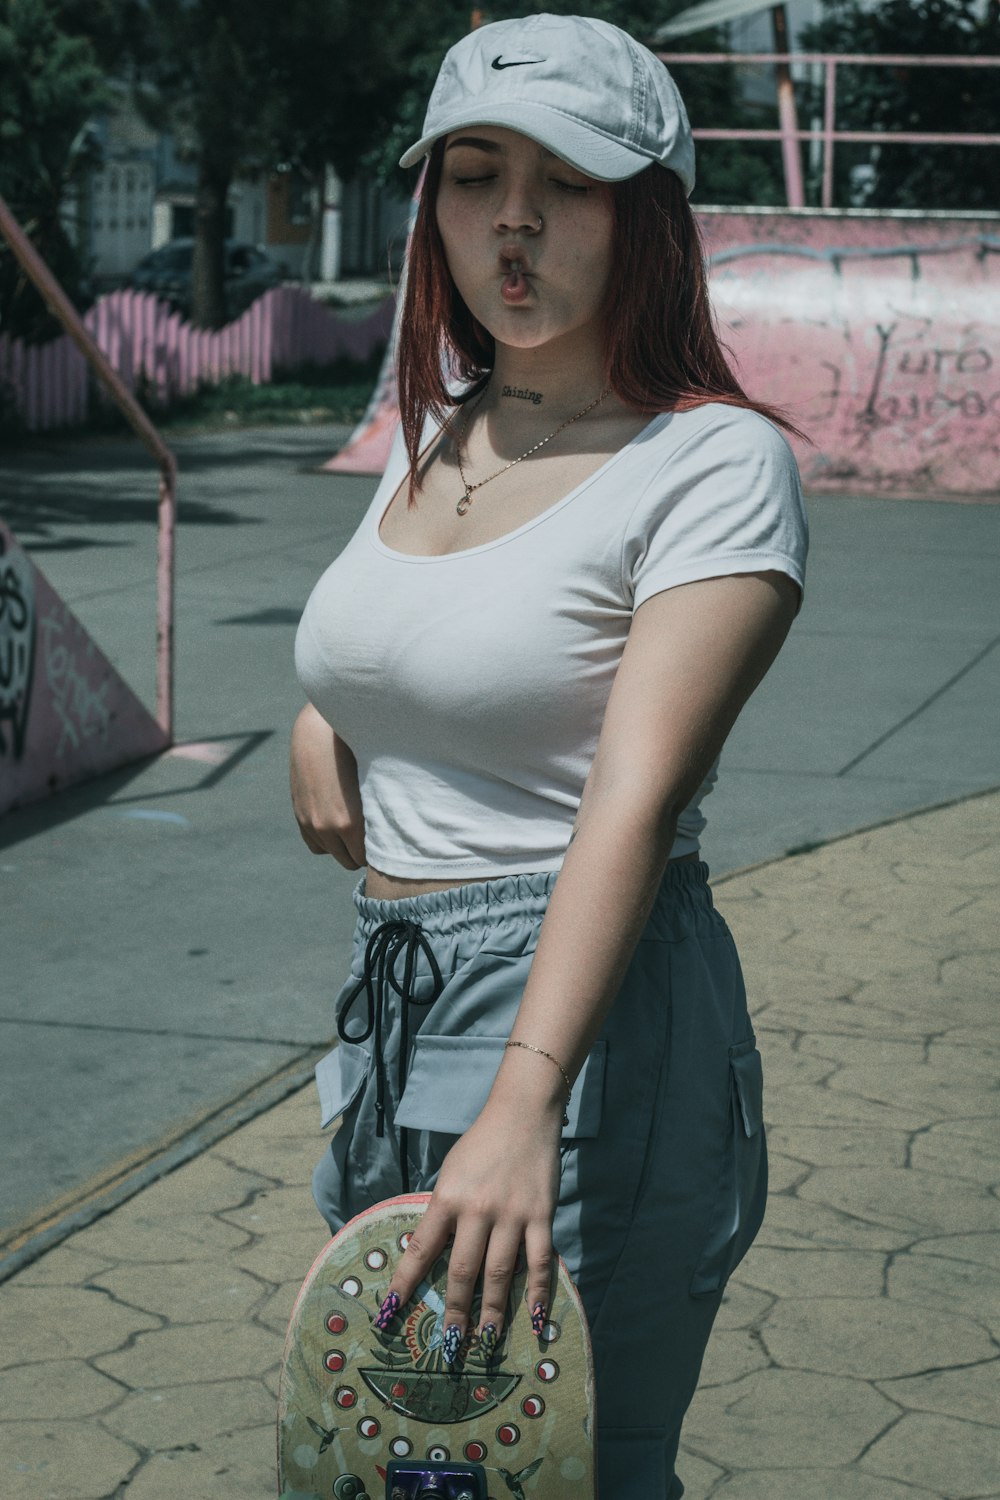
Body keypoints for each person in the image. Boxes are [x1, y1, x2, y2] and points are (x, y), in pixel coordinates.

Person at [290, 14, 808, 1498]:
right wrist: (330, 716)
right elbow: (407, 636)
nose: (510, 217)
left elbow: (632, 802)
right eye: (472, 172)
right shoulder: (439, 429)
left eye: (567, 180)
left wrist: (525, 1098)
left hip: (578, 1023)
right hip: (391, 1010)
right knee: (410, 1466)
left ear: (645, 213)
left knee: (571, 1468)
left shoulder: (711, 463)